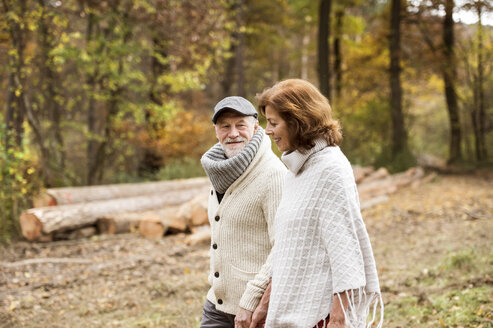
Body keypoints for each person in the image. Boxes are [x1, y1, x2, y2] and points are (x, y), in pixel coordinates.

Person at [255, 79, 384, 328]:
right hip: (289, 312)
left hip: (320, 317)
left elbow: (345, 252)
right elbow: (288, 250)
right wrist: (265, 303)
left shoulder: (330, 168)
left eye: (273, 123)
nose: (267, 131)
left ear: (297, 122)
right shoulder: (297, 169)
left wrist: (338, 318)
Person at [199, 96, 287, 328]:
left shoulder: (273, 175)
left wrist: (253, 301)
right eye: (225, 126)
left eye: (241, 125)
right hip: (217, 305)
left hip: (256, 308)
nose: (233, 133)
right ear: (216, 131)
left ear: (256, 127)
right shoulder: (221, 170)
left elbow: (284, 246)